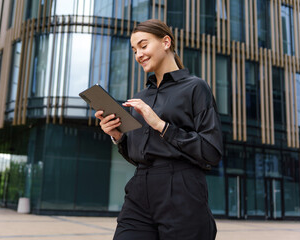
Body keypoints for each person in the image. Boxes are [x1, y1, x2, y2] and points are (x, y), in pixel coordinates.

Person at [95, 19, 223, 240]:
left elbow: (211, 151)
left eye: (143, 46)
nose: (138, 55)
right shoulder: (140, 97)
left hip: (182, 190)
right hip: (140, 189)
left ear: (166, 42)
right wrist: (117, 136)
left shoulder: (195, 87)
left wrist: (161, 126)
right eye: (134, 50)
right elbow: (139, 155)